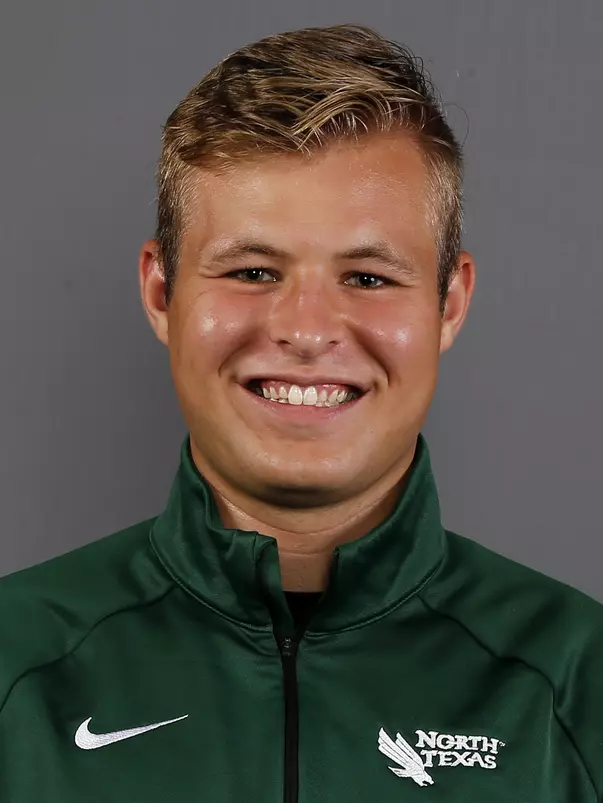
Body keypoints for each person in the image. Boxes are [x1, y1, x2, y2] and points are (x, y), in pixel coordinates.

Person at [0, 22, 601, 803]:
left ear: (449, 302)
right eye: (252, 269)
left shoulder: (577, 680)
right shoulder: (16, 662)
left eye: (368, 277)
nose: (307, 330)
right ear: (160, 292)